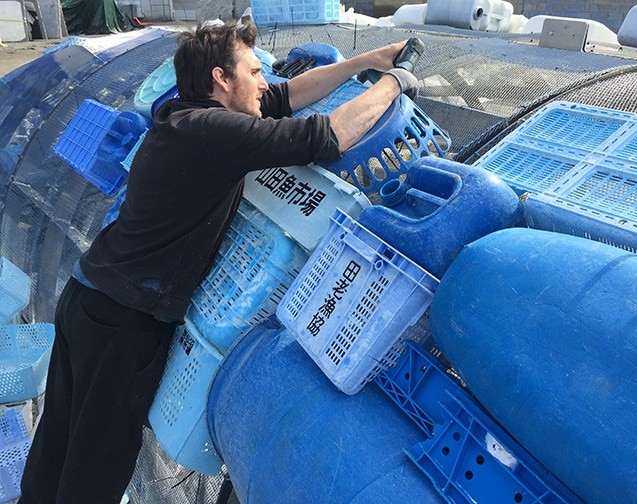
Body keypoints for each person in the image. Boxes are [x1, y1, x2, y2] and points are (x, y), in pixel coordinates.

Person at [18, 20, 418, 504]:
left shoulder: (185, 117)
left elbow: (287, 96)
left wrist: (364, 62)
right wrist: (395, 82)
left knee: (57, 440)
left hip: (88, 298)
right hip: (123, 322)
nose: (265, 81)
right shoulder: (215, 132)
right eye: (254, 71)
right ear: (221, 79)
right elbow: (329, 135)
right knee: (95, 468)